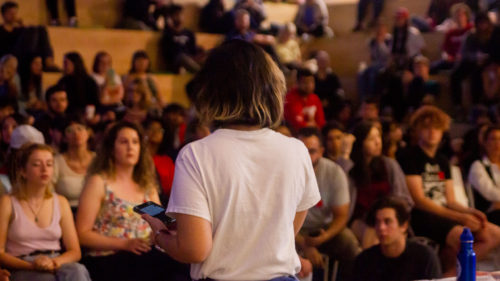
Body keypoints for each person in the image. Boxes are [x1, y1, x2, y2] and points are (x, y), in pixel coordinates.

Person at [142, 40, 320, 281]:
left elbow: (195, 249)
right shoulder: (296, 150)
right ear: (272, 88)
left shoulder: (196, 154)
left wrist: (160, 235)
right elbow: (286, 228)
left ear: (210, 91)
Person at [76, 121, 186, 281]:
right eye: (123, 142)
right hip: (109, 256)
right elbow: (82, 234)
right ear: (111, 148)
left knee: (182, 264)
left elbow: (163, 223)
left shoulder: (147, 186)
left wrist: (178, 222)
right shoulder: (99, 182)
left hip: (146, 252)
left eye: (135, 142)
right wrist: (124, 244)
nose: (130, 147)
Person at [398, 105, 500, 274]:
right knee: (464, 239)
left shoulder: (442, 160)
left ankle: (451, 273)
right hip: (422, 214)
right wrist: (460, 217)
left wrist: (470, 211)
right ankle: (452, 274)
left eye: (436, 128)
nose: (432, 132)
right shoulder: (409, 156)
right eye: (426, 127)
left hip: (444, 212)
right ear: (417, 130)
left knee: (495, 234)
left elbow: (451, 200)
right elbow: (419, 200)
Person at [0, 143, 90, 281]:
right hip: (22, 263)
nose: (44, 169)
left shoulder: (61, 202)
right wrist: (31, 266)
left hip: (55, 261)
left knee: (78, 270)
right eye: (36, 164)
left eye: (49, 164)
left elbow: (75, 251)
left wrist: (54, 263)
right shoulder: (8, 202)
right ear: (23, 171)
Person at [296, 127, 361, 280]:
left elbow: (341, 216)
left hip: (322, 229)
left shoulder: (334, 172)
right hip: (291, 230)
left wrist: (323, 238)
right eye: (302, 151)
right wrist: (305, 245)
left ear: (321, 151)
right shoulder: (285, 171)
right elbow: (279, 218)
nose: (306, 157)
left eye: (311, 151)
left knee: (349, 243)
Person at [349, 121, 414, 249]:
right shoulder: (351, 168)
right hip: (361, 219)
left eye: (378, 137)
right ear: (360, 142)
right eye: (371, 139)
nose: (377, 142)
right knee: (373, 231)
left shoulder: (389, 165)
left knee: (383, 229)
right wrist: (345, 155)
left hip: (388, 216)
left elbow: (404, 199)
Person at [352, 197, 442, 281]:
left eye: (387, 222)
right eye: (377, 222)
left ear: (404, 226)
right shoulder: (365, 260)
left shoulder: (425, 257)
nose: (381, 227)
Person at [53, 115, 95, 212]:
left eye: (80, 128)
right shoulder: (57, 162)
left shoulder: (98, 160)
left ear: (88, 133)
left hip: (95, 211)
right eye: (70, 130)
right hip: (65, 212)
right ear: (64, 138)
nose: (76, 133)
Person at [468, 125, 500, 226]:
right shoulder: (478, 166)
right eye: (493, 139)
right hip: (487, 215)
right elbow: (490, 193)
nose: (497, 143)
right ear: (485, 143)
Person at [161, 5, 203, 74]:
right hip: (176, 63)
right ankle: (201, 75)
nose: (179, 17)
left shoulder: (189, 33)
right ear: (171, 17)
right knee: (182, 57)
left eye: (181, 14)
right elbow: (168, 55)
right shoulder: (167, 34)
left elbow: (193, 50)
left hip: (190, 60)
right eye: (176, 14)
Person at [284, 69, 326, 133]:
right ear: (297, 83)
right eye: (305, 82)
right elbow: (296, 123)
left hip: (314, 134)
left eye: (311, 82)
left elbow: (321, 122)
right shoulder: (290, 98)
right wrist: (311, 125)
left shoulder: (315, 98)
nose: (309, 85)